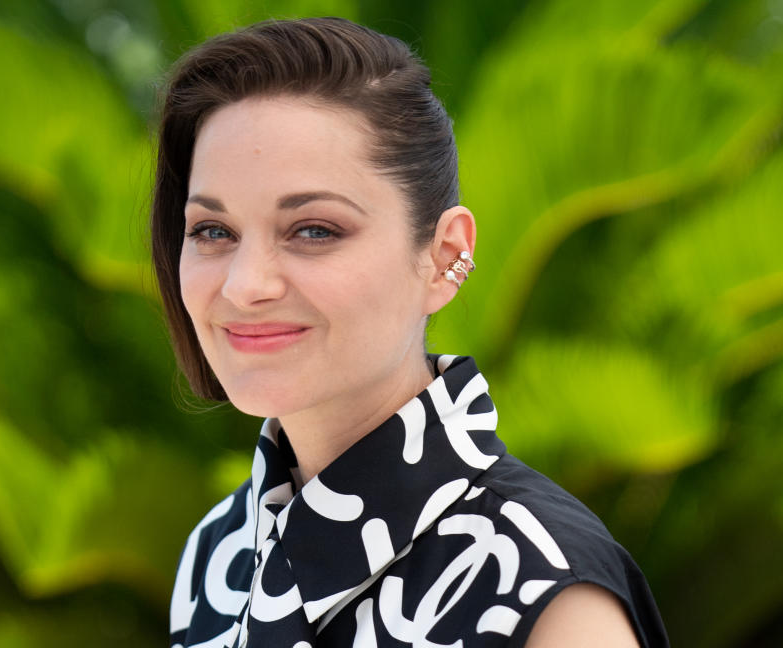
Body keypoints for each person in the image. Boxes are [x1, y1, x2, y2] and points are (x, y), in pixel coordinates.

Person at [152, 17, 669, 648]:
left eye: (314, 230)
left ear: (445, 255)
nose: (244, 285)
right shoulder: (219, 552)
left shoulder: (544, 589)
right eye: (213, 231)